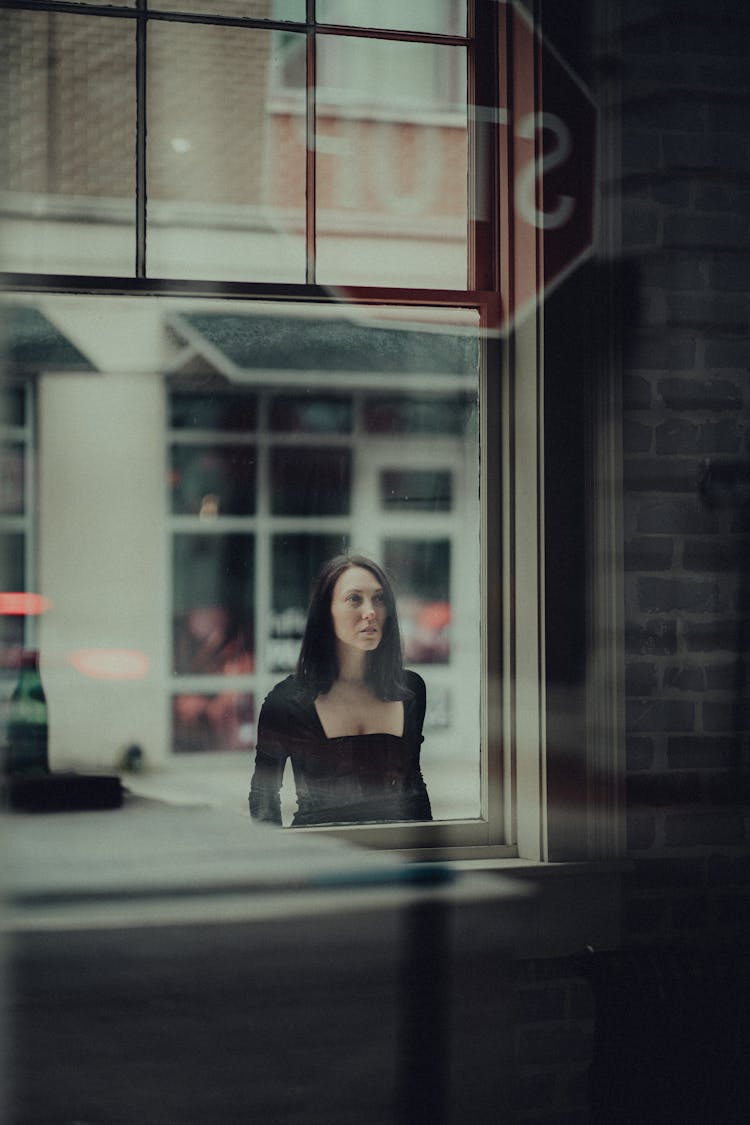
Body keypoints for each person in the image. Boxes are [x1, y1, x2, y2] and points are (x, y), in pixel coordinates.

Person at [249, 554, 432, 827]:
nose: (370, 611)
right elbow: (264, 798)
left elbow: (414, 788)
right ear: (326, 612)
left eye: (379, 599)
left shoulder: (410, 690)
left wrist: (428, 860)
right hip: (320, 857)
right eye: (354, 599)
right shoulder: (287, 701)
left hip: (396, 855)